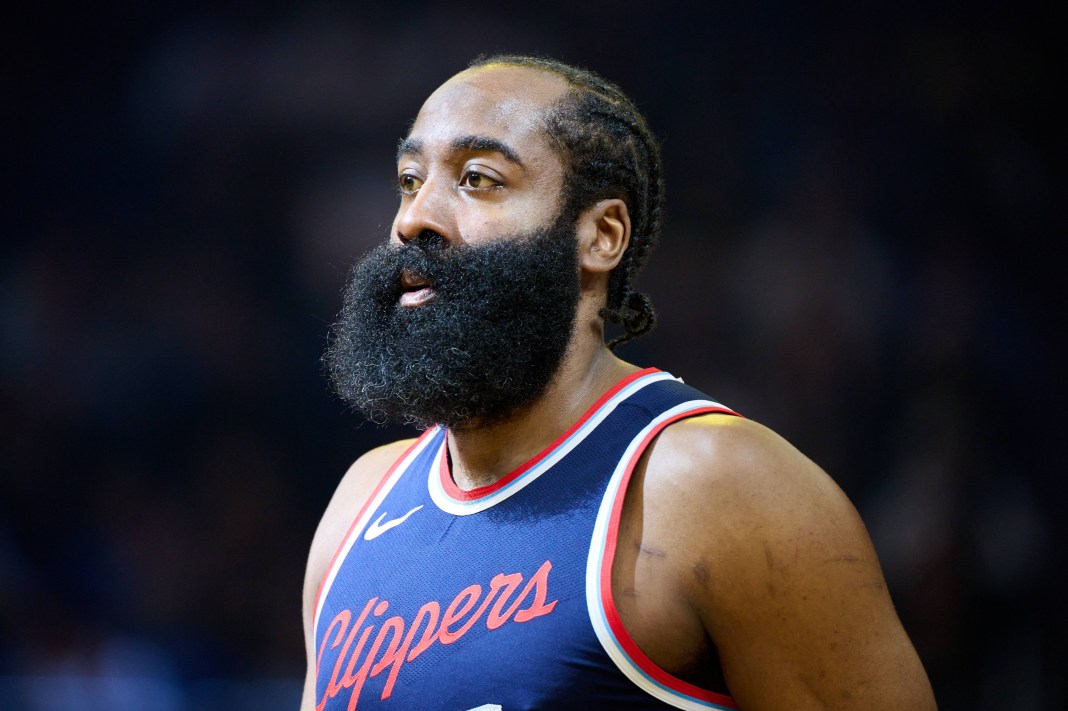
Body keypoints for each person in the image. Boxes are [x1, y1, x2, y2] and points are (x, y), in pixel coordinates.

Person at [301, 54, 936, 710]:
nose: (414, 218)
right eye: (409, 179)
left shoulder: (716, 486)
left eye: (478, 178)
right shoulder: (360, 504)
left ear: (601, 235)